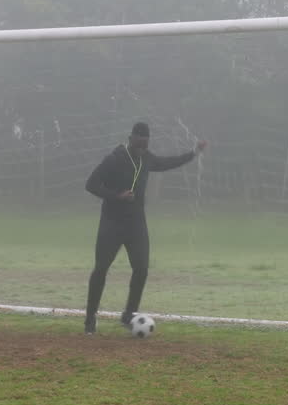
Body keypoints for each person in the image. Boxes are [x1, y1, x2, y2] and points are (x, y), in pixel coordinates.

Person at [83, 122, 206, 335]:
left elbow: (168, 162)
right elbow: (91, 184)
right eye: (138, 143)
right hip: (111, 223)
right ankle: (90, 319)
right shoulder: (114, 158)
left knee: (141, 269)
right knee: (101, 269)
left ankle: (129, 314)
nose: (142, 148)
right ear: (130, 139)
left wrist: (194, 153)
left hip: (136, 224)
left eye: (145, 145)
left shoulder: (147, 158)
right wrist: (116, 196)